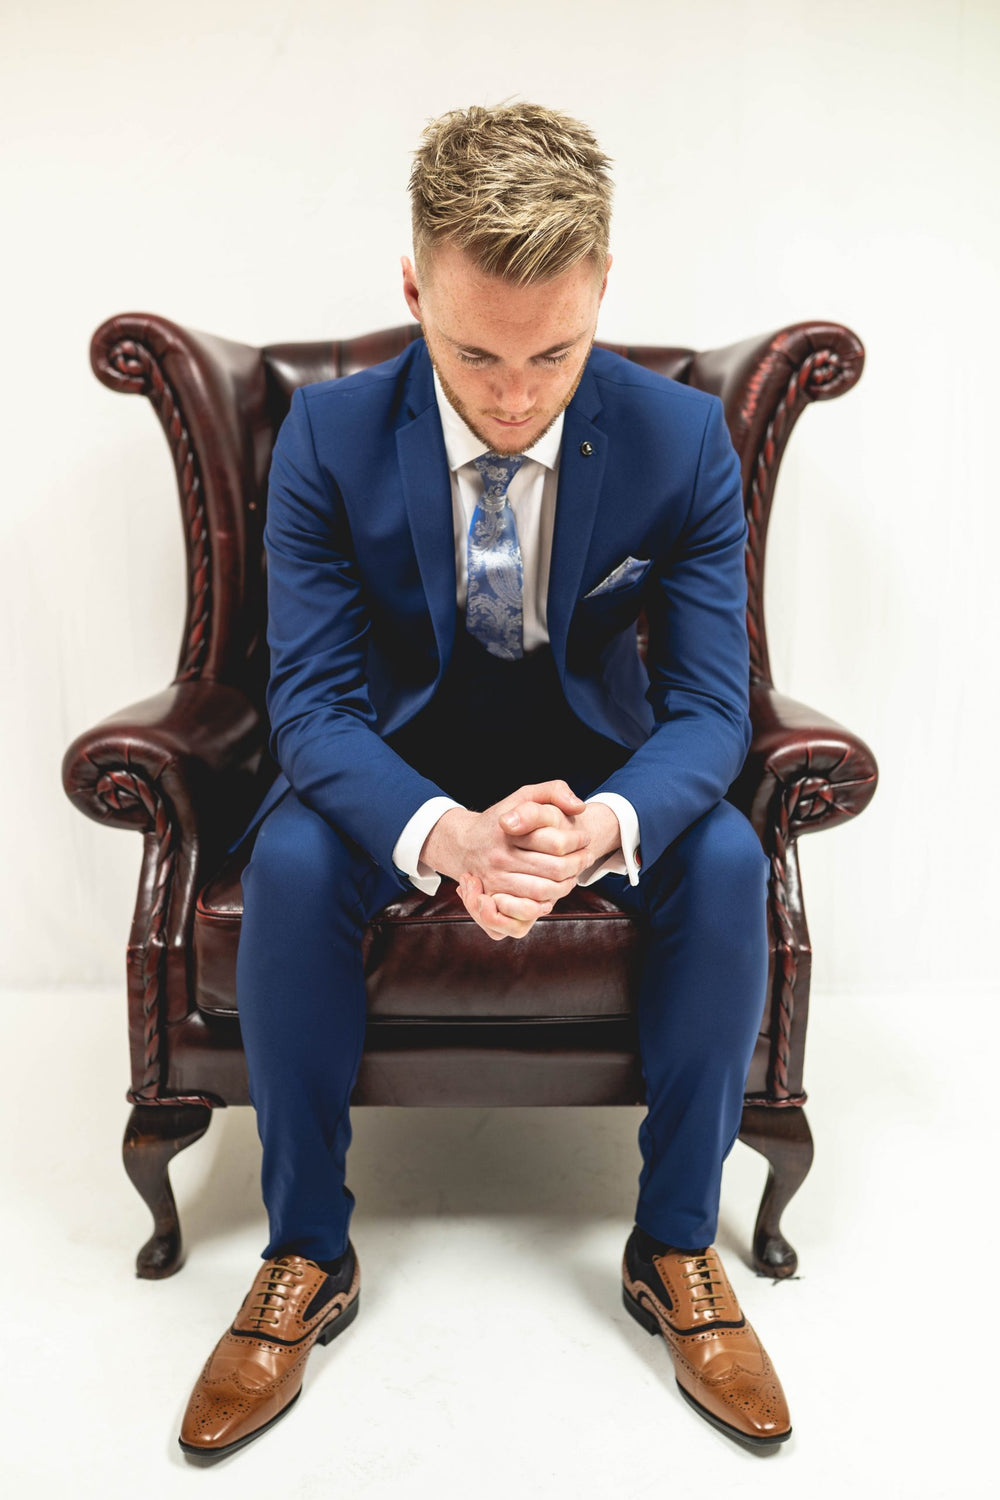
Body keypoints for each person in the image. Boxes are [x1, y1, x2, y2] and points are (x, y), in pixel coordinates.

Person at [178, 101, 791, 1460]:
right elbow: (313, 706)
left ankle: (676, 1246)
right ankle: (304, 1250)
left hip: (595, 770)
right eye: (473, 355)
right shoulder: (327, 438)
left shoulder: (684, 441)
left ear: (602, 289)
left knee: (729, 858)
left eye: (553, 354)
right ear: (414, 290)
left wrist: (606, 827)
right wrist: (447, 835)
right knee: (289, 859)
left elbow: (709, 706)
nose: (514, 400)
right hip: (393, 766)